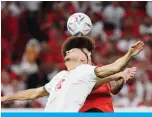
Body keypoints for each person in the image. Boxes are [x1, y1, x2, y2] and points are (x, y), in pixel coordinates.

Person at [1, 36, 144, 112]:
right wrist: (5, 98)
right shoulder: (61, 76)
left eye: (75, 50)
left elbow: (115, 68)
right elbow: (34, 93)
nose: (68, 52)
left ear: (83, 58)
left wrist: (129, 55)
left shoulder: (87, 70)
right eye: (68, 51)